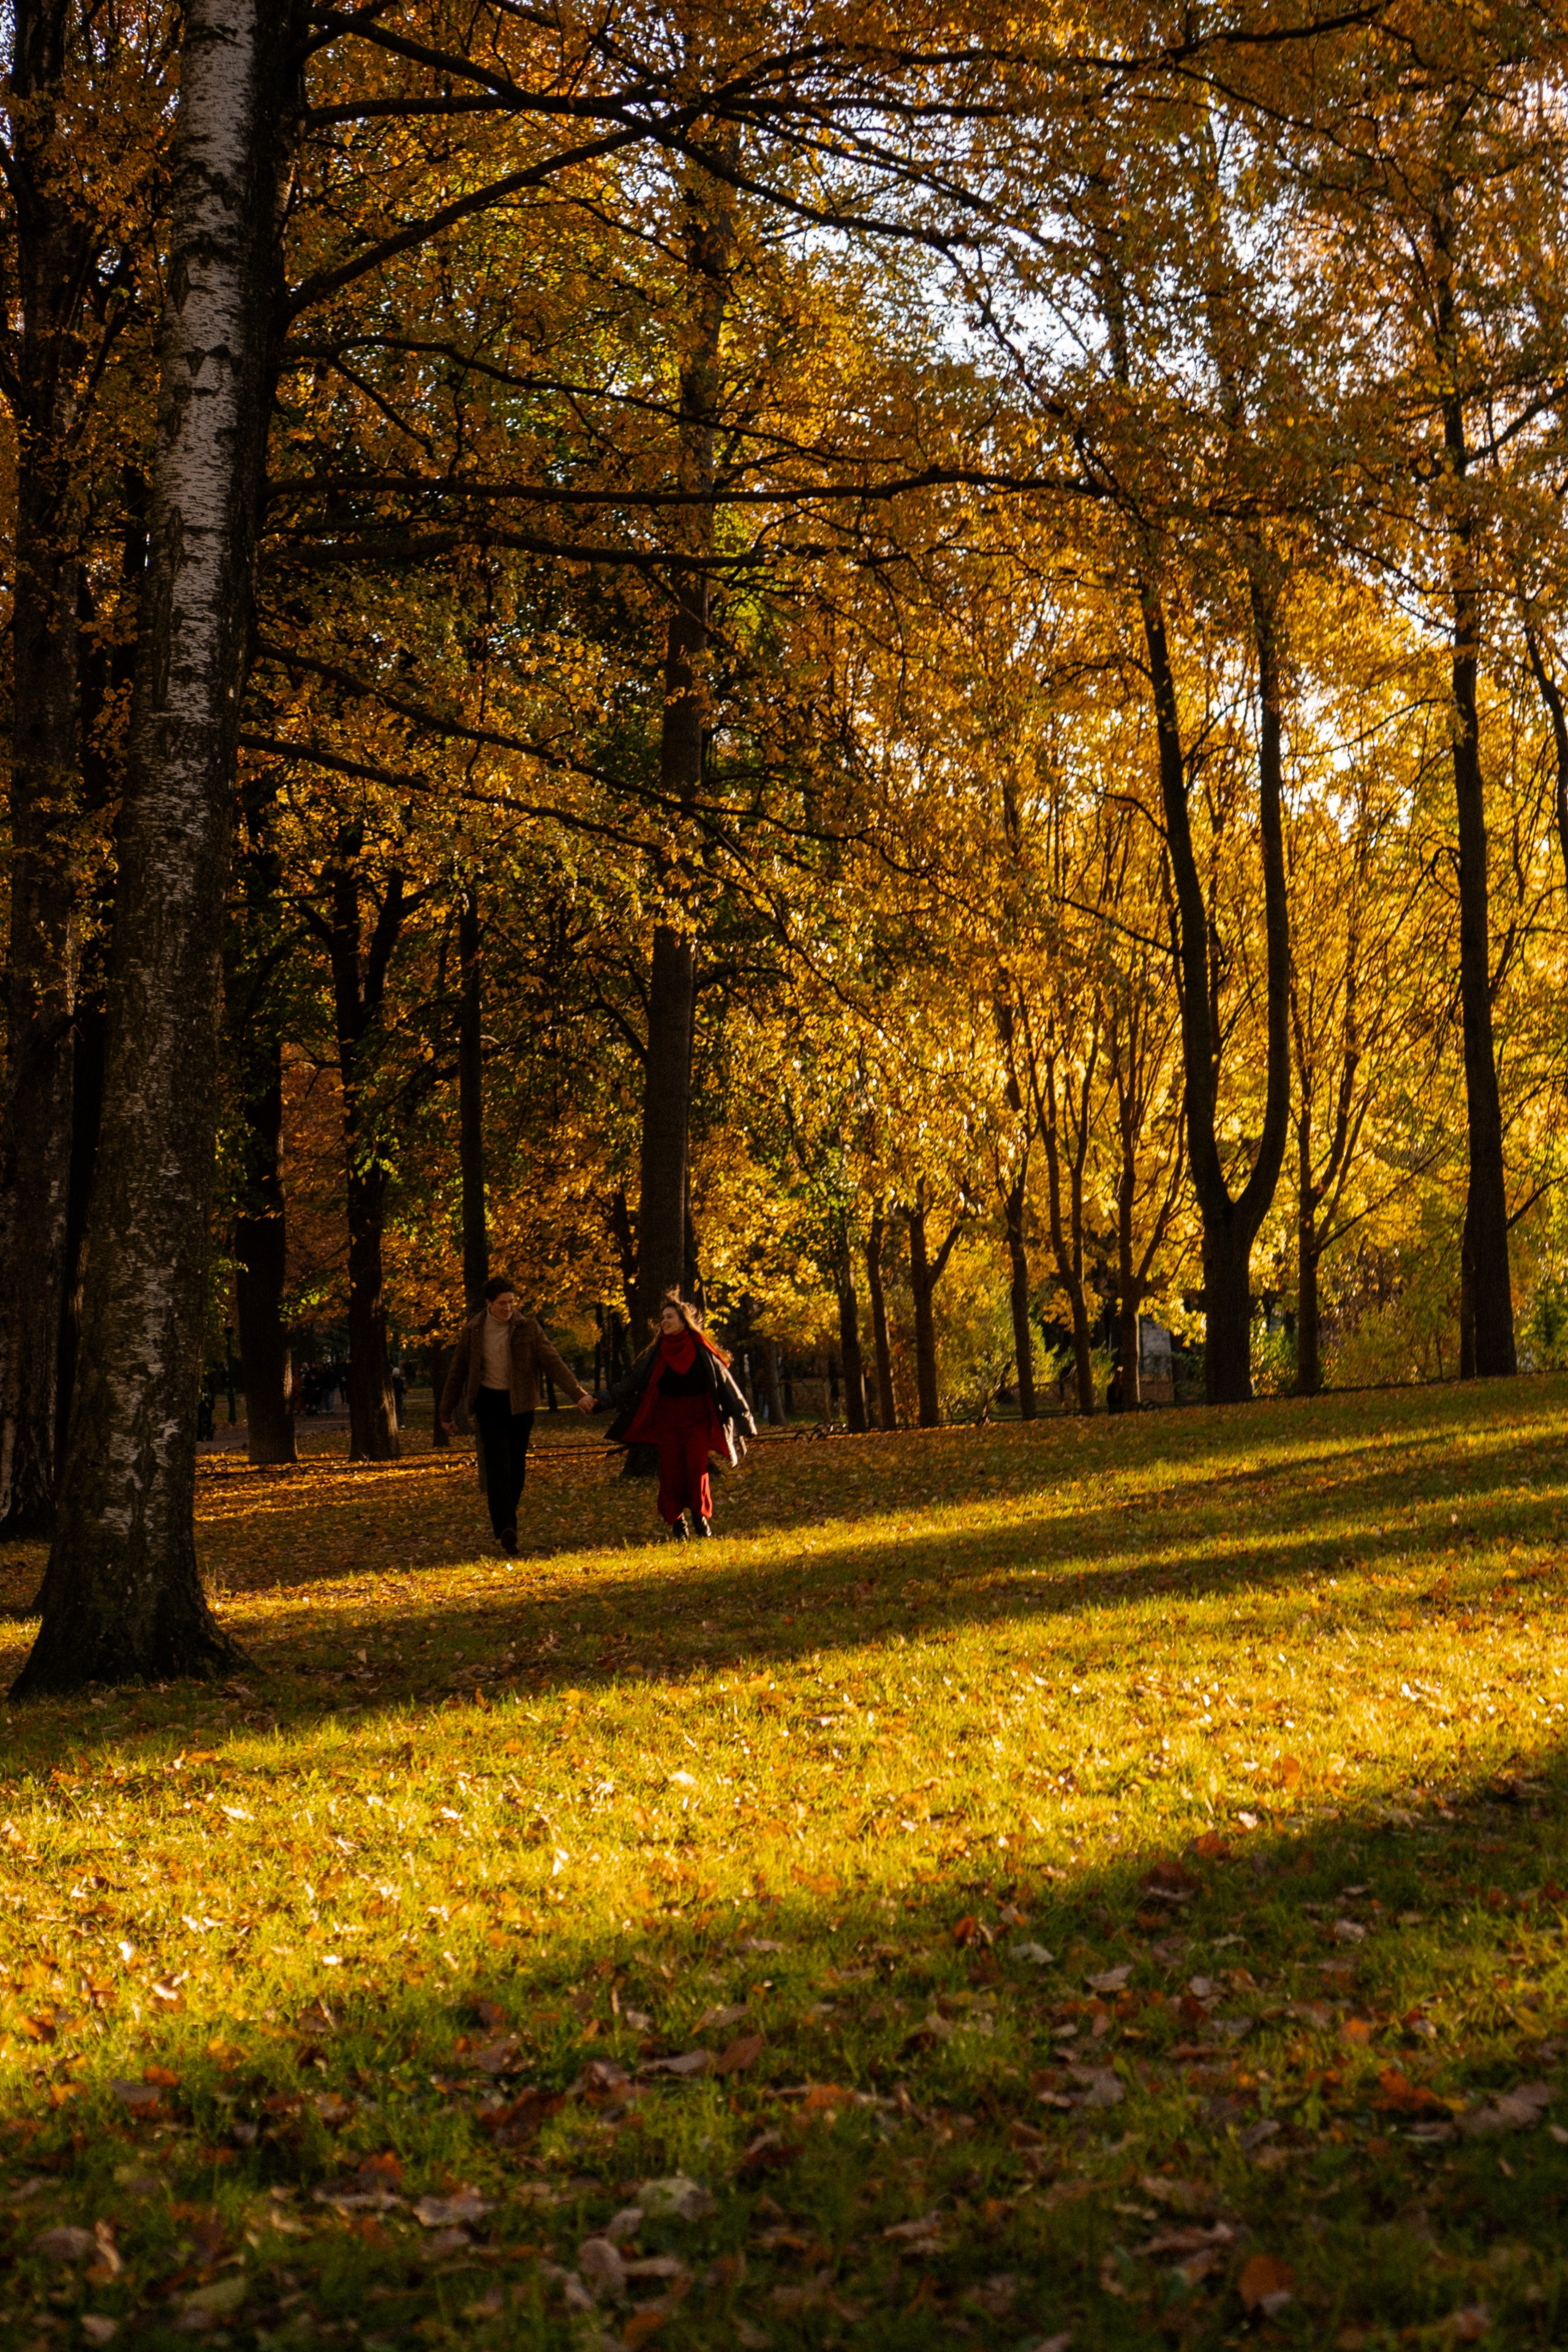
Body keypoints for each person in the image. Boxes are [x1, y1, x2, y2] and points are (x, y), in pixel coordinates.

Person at [440, 1277, 593, 1555]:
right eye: (502, 1303)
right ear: (489, 1303)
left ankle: (507, 1518)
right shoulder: (474, 1331)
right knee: (498, 1468)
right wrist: (446, 1412)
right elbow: (457, 1371)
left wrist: (578, 1394)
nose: (508, 1308)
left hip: (521, 1405)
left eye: (511, 1302)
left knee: (516, 1469)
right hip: (489, 1404)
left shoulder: (528, 1328)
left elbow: (553, 1362)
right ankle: (507, 1527)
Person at [598, 1292, 756, 1540]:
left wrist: (745, 1420)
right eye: (662, 1318)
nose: (664, 1321)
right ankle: (677, 1522)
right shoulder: (657, 1354)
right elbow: (633, 1382)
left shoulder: (701, 1351)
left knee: (696, 1469)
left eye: (669, 1317)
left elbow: (727, 1386)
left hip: (697, 1420)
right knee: (671, 1473)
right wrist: (602, 1399)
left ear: (683, 1321)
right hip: (667, 1421)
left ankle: (699, 1516)